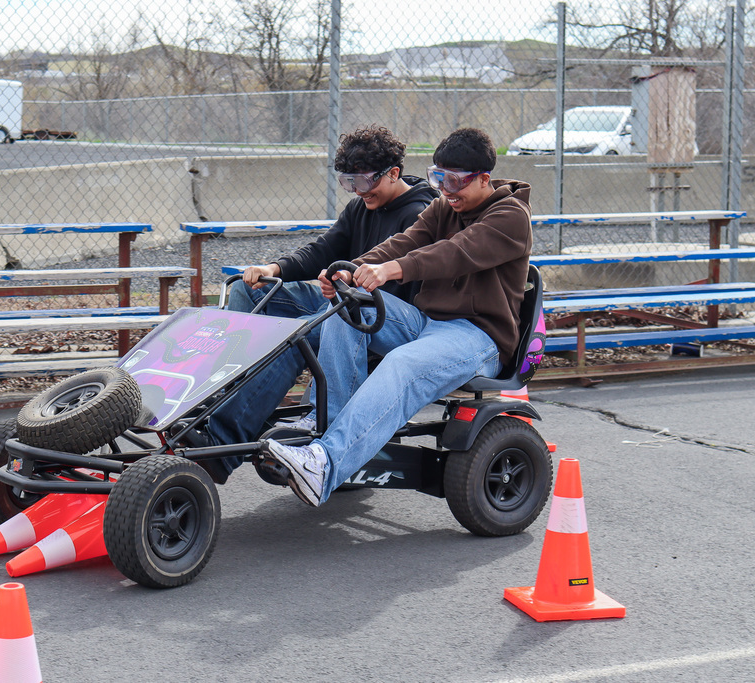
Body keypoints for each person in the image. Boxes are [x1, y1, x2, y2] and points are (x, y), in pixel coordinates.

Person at [259, 128, 533, 507]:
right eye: (439, 178)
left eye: (455, 181)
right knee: (347, 306)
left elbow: (454, 253)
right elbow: (404, 241)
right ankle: (329, 427)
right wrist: (351, 270)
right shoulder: (444, 206)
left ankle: (324, 464)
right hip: (427, 323)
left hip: (477, 337)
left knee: (402, 364)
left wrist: (391, 270)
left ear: (484, 179)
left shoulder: (510, 216)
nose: (447, 190)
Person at [186, 125, 438, 484]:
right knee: (251, 291)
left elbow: (400, 289)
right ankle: (215, 396)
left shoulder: (419, 214)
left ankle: (223, 442)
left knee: (294, 336)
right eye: (348, 182)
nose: (356, 191)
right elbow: (323, 248)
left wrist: (345, 281)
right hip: (341, 297)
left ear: (393, 173)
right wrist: (274, 269)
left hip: (381, 314)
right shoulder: (360, 207)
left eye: (363, 182)